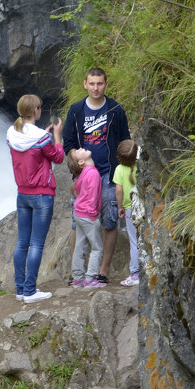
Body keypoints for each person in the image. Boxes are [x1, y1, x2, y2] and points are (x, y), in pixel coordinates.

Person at [63, 67, 130, 285]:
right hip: (84, 176)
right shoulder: (75, 111)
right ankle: (78, 273)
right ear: (85, 84)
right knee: (78, 223)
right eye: (91, 84)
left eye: (99, 83)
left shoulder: (115, 110)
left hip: (109, 174)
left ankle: (104, 270)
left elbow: (125, 141)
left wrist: (124, 171)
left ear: (106, 84)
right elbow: (69, 144)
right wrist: (77, 170)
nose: (95, 88)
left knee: (109, 221)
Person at [7, 94, 64, 303]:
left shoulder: (12, 133)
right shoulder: (42, 138)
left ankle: (20, 289)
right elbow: (57, 157)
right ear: (36, 111)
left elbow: (29, 148)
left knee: (22, 243)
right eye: (39, 108)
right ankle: (31, 291)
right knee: (37, 244)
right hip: (42, 195)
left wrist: (45, 136)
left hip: (22, 194)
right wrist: (56, 137)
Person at [67, 148, 104, 287]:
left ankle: (77, 278)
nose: (81, 148)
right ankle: (90, 279)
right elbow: (93, 197)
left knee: (80, 246)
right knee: (97, 248)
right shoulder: (93, 173)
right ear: (81, 161)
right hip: (88, 215)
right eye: (78, 151)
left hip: (78, 213)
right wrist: (93, 215)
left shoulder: (84, 173)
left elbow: (78, 191)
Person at [113, 139, 140, 286]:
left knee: (134, 242)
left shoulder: (119, 169)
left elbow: (118, 190)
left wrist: (120, 206)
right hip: (142, 207)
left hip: (129, 208)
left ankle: (135, 274)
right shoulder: (140, 167)